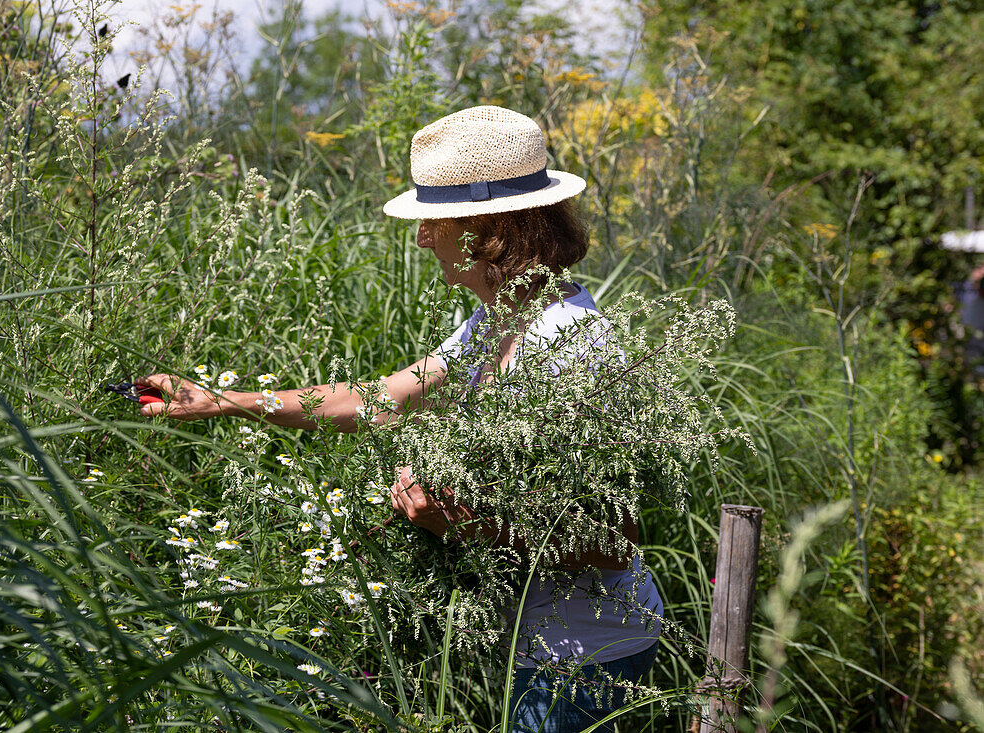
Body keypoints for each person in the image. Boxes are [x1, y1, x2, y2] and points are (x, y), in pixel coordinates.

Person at [138, 105, 662, 732]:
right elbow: (382, 399)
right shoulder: (500, 318)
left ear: (487, 228)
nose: (420, 238)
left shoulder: (570, 345)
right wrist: (224, 401)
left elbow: (614, 541)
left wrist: (465, 527)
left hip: (584, 665)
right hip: (539, 649)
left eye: (433, 220)